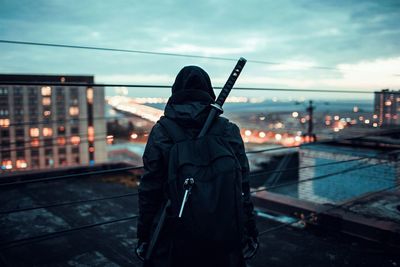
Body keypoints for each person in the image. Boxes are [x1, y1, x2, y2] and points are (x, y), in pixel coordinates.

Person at [136, 65, 258, 267]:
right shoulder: (229, 131)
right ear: (209, 92)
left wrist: (144, 236)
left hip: (175, 236)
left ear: (175, 93)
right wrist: (249, 231)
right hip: (224, 235)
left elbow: (150, 191)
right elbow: (242, 188)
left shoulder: (162, 133)